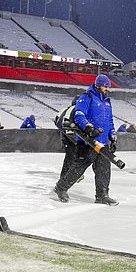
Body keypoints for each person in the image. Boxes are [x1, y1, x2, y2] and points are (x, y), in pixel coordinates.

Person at [53, 74, 118, 205]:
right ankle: (61, 188)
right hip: (88, 141)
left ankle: (102, 196)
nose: (107, 89)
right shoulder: (87, 97)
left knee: (104, 169)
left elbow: (109, 121)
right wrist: (88, 128)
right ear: (98, 85)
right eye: (105, 87)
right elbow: (79, 115)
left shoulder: (107, 102)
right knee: (79, 167)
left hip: (103, 142)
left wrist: (112, 135)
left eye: (108, 87)